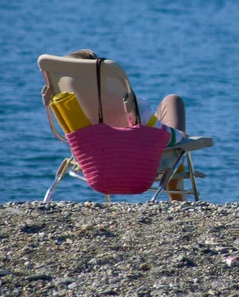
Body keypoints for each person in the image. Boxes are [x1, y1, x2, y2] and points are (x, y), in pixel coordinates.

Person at [66, 49, 189, 200]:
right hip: (138, 163)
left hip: (92, 163)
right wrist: (180, 136)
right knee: (172, 102)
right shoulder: (131, 105)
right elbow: (166, 136)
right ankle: (177, 197)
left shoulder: (69, 109)